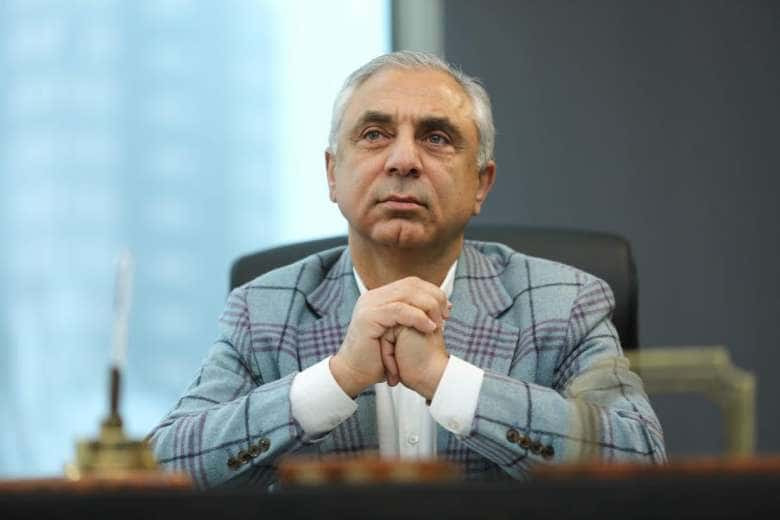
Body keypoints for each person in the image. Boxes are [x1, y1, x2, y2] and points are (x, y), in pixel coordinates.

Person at [149, 51, 666, 489]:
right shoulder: (263, 309)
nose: (403, 160)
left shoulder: (564, 301)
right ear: (333, 174)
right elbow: (161, 471)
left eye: (436, 138)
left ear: (481, 184)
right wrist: (336, 379)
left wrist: (448, 380)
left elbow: (641, 462)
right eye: (375, 134)